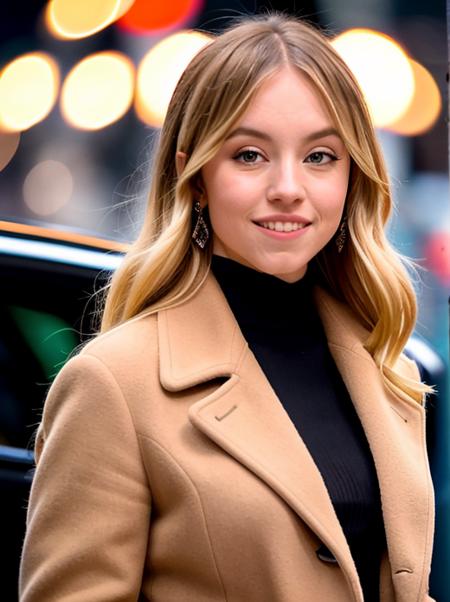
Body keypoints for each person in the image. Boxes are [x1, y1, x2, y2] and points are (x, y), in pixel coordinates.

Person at [19, 13, 435, 602]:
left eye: (320, 156)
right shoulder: (112, 385)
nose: (288, 186)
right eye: (249, 155)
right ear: (194, 177)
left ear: (353, 178)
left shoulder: (390, 370)